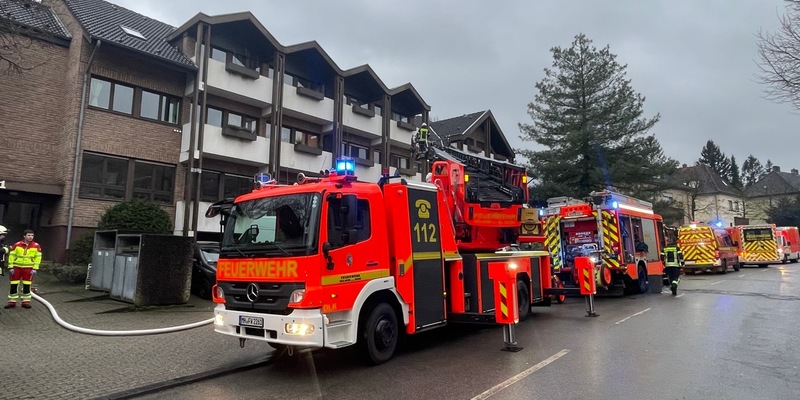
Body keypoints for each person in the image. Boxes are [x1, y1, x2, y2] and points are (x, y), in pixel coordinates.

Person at [6, 229, 42, 309]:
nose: (30, 237)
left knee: (27, 285)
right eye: (29, 235)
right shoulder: (17, 244)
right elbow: (12, 256)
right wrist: (11, 266)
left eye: (32, 235)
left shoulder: (36, 245)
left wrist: (35, 268)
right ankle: (12, 302)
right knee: (14, 285)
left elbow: (38, 257)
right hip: (16, 268)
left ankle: (26, 302)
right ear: (24, 236)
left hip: (29, 269)